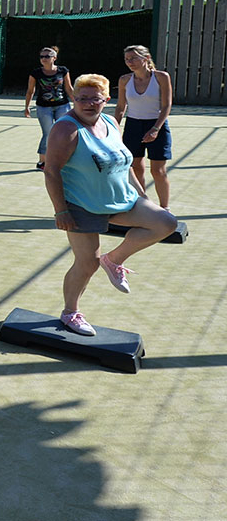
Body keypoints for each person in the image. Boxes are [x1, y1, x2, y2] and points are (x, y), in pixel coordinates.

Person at [44, 74, 177, 337]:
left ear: (106, 99)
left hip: (120, 199)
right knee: (87, 264)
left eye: (95, 99)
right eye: (82, 98)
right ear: (74, 99)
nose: (88, 104)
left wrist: (143, 197)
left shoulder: (110, 122)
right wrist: (61, 210)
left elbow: (124, 163)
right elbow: (51, 171)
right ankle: (70, 312)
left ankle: (114, 260)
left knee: (165, 222)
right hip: (82, 206)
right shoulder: (66, 129)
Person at [114, 45, 173, 210]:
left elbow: (167, 105)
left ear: (146, 58)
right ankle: (142, 205)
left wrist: (155, 129)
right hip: (133, 126)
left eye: (133, 58)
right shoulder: (124, 80)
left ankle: (165, 209)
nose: (130, 62)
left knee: (158, 171)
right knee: (135, 169)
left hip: (157, 125)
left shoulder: (161, 77)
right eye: (127, 59)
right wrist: (113, 127)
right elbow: (120, 107)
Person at [24, 46, 74, 170]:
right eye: (42, 56)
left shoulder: (63, 71)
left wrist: (77, 103)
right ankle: (42, 162)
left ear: (54, 58)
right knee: (48, 133)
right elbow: (30, 91)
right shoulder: (36, 73)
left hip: (62, 106)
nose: (44, 59)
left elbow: (69, 88)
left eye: (47, 56)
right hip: (43, 107)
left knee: (64, 132)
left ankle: (63, 160)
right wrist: (27, 106)